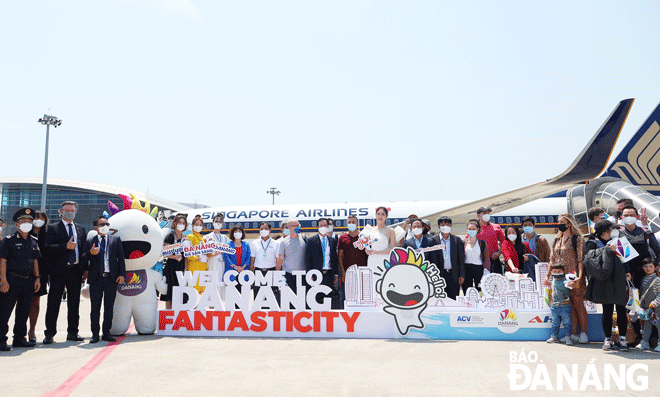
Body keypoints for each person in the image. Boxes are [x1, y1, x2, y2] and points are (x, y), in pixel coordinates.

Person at [584, 219, 631, 351]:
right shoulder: (593, 243)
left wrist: (628, 271)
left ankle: (622, 339)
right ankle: (608, 339)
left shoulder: (619, 241)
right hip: (603, 281)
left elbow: (626, 258)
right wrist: (608, 250)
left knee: (622, 310)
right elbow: (590, 261)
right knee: (607, 311)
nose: (614, 231)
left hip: (620, 280)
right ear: (605, 232)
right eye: (612, 229)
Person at [44, 201, 87, 344]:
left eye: (72, 209)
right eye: (67, 209)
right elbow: (47, 248)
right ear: (61, 212)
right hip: (58, 271)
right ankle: (49, 333)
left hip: (75, 271)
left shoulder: (81, 229)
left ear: (76, 211)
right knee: (53, 303)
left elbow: (83, 251)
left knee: (74, 303)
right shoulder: (52, 228)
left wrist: (85, 269)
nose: (70, 211)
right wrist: (65, 246)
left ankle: (73, 332)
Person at [0, 208, 41, 351]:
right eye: (24, 222)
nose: (27, 224)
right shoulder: (9, 240)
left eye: (30, 222)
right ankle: (1, 340)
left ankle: (19, 338)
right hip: (12, 280)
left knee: (23, 311)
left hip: (29, 281)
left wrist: (37, 278)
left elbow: (35, 260)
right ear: (17, 225)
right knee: (5, 311)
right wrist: (3, 280)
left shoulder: (33, 241)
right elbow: (3, 261)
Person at [619, 205, 660, 346]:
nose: (628, 217)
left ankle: (654, 336)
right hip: (630, 277)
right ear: (621, 217)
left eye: (631, 214)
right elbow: (621, 256)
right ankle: (637, 336)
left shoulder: (645, 232)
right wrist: (626, 272)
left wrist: (656, 267)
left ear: (637, 217)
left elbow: (657, 249)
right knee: (633, 308)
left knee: (651, 305)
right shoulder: (619, 234)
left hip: (647, 275)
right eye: (625, 215)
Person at [82, 216, 126, 343]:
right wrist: (90, 253)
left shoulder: (115, 239)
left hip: (111, 279)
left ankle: (106, 332)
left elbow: (121, 259)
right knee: (95, 308)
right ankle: (95, 334)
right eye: (102, 224)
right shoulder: (90, 240)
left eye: (107, 224)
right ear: (96, 227)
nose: (105, 226)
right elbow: (83, 258)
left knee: (109, 307)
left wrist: (122, 274)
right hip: (96, 279)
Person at [547, 214, 588, 344]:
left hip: (573, 276)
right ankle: (572, 333)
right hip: (559, 279)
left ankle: (583, 333)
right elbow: (551, 260)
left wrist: (580, 277)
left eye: (562, 222)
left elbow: (580, 260)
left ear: (569, 223)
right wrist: (547, 275)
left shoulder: (577, 239)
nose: (559, 224)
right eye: (558, 222)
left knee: (578, 304)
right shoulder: (556, 240)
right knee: (567, 307)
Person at [304, 218, 339, 305]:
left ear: (328, 227)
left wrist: (336, 274)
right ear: (317, 227)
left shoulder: (332, 241)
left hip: (329, 274)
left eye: (325, 226)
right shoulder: (311, 241)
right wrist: (310, 273)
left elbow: (334, 258)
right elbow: (308, 259)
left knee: (328, 298)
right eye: (321, 226)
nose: (323, 227)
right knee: (317, 298)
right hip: (316, 274)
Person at [430, 216, 465, 300]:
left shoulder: (457, 240)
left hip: (453, 275)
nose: (445, 226)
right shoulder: (433, 240)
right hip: (439, 275)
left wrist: (462, 274)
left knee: (453, 299)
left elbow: (461, 259)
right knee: (440, 299)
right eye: (442, 224)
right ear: (439, 226)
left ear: (451, 225)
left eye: (447, 224)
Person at [27, 210, 48, 343]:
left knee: (35, 301)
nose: (38, 220)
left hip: (41, 273)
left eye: (41, 218)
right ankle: (20, 331)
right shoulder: (25, 234)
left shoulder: (48, 235)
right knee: (22, 303)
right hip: (25, 272)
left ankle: (32, 330)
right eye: (36, 217)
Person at [161, 214, 187, 309]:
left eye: (183, 223)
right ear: (175, 223)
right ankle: (168, 312)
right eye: (179, 222)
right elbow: (165, 252)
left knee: (181, 292)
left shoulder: (185, 238)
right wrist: (174, 257)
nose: (181, 224)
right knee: (170, 291)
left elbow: (187, 255)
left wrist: (185, 268)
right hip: (171, 267)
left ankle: (179, 314)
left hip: (181, 267)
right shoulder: (170, 236)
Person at [250, 222, 279, 302]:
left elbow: (278, 260)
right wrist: (251, 273)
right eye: (261, 229)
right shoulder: (254, 243)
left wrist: (277, 274)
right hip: (258, 272)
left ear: (270, 230)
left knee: (271, 298)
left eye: (266, 229)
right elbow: (252, 259)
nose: (263, 230)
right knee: (258, 296)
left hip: (271, 271)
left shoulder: (276, 243)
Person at [546, 264, 574, 345]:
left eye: (559, 271)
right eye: (554, 271)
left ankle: (568, 337)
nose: (557, 273)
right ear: (551, 272)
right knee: (555, 323)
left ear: (563, 272)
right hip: (555, 307)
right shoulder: (553, 280)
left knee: (567, 323)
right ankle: (554, 337)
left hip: (565, 306)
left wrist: (571, 283)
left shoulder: (566, 279)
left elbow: (571, 284)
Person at [278, 219, 307, 295]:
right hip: (289, 274)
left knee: (302, 299)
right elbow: (280, 258)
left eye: (297, 226)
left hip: (302, 275)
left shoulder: (304, 239)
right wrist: (278, 275)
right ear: (288, 227)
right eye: (292, 226)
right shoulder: (283, 242)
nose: (295, 227)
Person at [204, 214, 229, 299]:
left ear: (222, 224)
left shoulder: (225, 238)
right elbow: (204, 253)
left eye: (220, 222)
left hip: (222, 264)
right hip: (212, 263)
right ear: (213, 223)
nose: (218, 223)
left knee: (220, 284)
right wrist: (215, 253)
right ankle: (211, 305)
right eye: (216, 221)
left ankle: (219, 307)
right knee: (212, 283)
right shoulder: (207, 237)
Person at [337, 215, 368, 284]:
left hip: (362, 271)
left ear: (357, 224)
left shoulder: (363, 236)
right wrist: (343, 272)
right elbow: (340, 256)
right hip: (348, 272)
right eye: (349, 222)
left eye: (353, 222)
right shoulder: (342, 238)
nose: (351, 224)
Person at [223, 225, 251, 300]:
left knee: (242, 293)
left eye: (239, 231)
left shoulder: (246, 245)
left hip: (243, 271)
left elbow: (248, 257)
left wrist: (243, 267)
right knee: (232, 295)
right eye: (236, 231)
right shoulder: (228, 244)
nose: (237, 233)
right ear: (232, 233)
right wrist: (235, 267)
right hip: (231, 272)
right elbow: (226, 257)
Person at [366, 207, 397, 271]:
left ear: (386, 216)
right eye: (378, 214)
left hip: (384, 259)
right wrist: (367, 251)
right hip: (372, 260)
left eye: (383, 214)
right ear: (376, 215)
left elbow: (393, 248)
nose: (380, 216)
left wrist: (378, 252)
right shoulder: (370, 230)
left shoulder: (391, 231)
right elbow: (367, 247)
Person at [639, 258, 660, 351]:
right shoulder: (643, 279)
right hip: (647, 307)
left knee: (658, 325)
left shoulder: (657, 280)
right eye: (646, 266)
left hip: (657, 308)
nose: (648, 269)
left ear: (656, 268)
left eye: (650, 266)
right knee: (647, 325)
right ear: (642, 268)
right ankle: (644, 342)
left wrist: (655, 302)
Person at [476, 207, 505, 275]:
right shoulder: (474, 228)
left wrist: (499, 252)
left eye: (488, 213)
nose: (487, 215)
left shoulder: (496, 227)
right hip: (480, 261)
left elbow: (504, 242)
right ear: (479, 215)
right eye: (484, 213)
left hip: (493, 260)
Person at [462, 219, 489, 293]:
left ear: (477, 229)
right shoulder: (463, 243)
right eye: (469, 229)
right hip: (467, 269)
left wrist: (486, 272)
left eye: (473, 229)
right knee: (467, 291)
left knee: (480, 291)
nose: (471, 231)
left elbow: (486, 259)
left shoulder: (482, 243)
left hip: (479, 269)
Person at [186, 216, 208, 295]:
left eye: (200, 225)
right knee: (193, 286)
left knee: (201, 286)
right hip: (194, 265)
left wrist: (206, 266)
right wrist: (195, 258)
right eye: (196, 224)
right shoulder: (190, 237)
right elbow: (187, 252)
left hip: (202, 265)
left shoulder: (202, 239)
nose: (198, 226)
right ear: (192, 226)